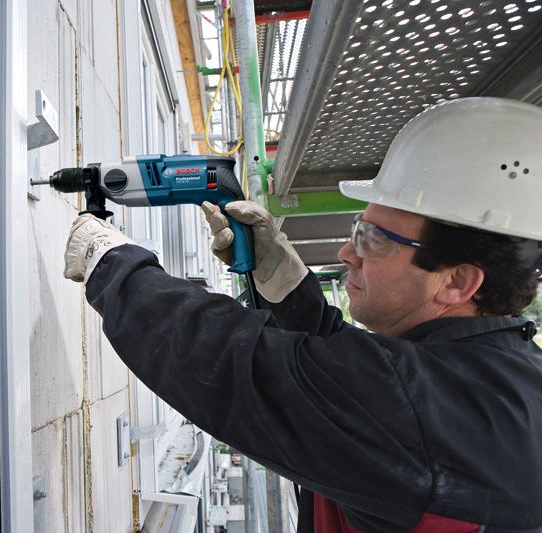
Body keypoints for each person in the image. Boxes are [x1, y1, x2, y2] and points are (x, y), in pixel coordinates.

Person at [63, 98, 542, 532]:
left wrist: (114, 264)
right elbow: (346, 376)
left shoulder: (433, 412)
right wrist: (285, 286)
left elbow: (238, 368)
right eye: (359, 229)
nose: (346, 252)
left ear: (458, 282)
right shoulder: (494, 386)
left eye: (374, 240)